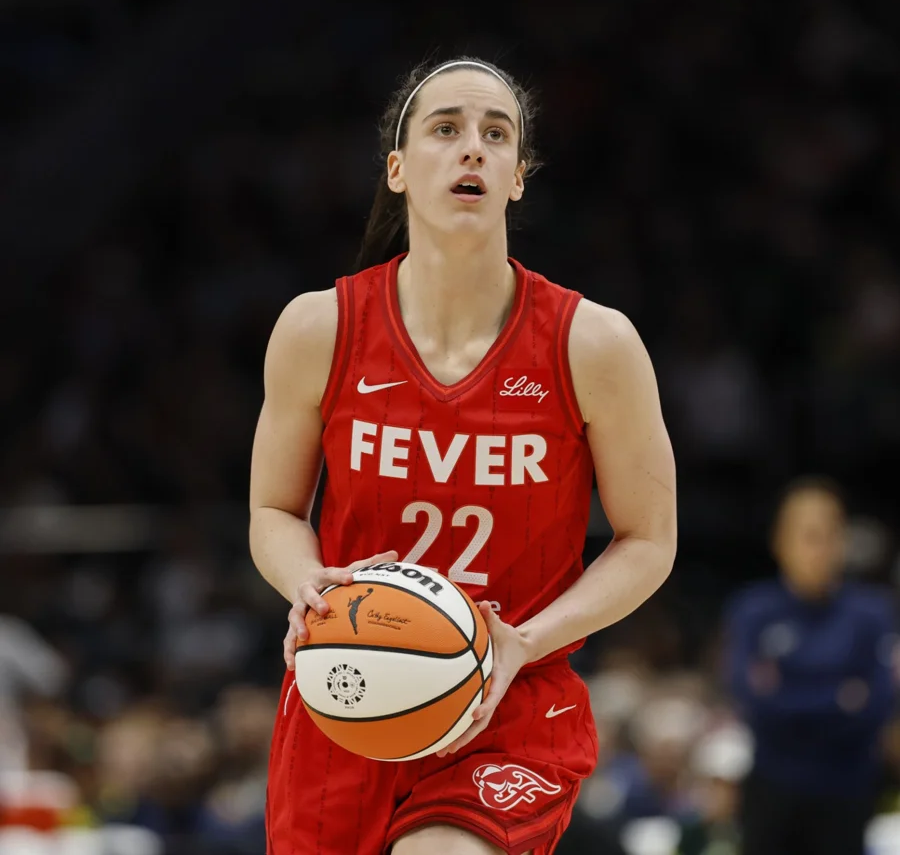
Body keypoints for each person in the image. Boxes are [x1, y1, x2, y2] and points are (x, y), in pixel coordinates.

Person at [249, 56, 677, 855]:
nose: (473, 146)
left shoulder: (594, 344)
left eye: (496, 134)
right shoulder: (319, 328)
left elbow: (650, 540)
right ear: (398, 169)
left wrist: (526, 640)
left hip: (511, 695)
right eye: (446, 128)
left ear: (518, 177)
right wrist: (306, 582)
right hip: (348, 681)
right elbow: (274, 510)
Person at [724, 476, 897, 855]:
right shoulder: (753, 611)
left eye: (831, 534)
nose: (820, 548)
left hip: (846, 790)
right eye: (808, 535)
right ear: (779, 541)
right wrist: (840, 698)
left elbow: (879, 702)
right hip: (772, 788)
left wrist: (787, 693)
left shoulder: (872, 614)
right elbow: (751, 700)